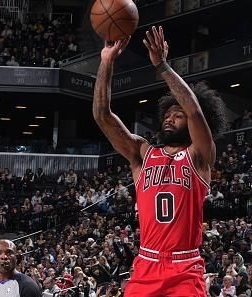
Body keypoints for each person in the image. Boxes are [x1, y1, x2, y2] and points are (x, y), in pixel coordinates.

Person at [93, 25, 227, 296]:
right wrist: (106, 63)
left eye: (177, 115)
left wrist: (162, 66)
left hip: (185, 266)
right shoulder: (143, 153)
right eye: (167, 114)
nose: (169, 117)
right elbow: (102, 115)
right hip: (147, 263)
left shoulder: (199, 156)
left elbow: (195, 110)